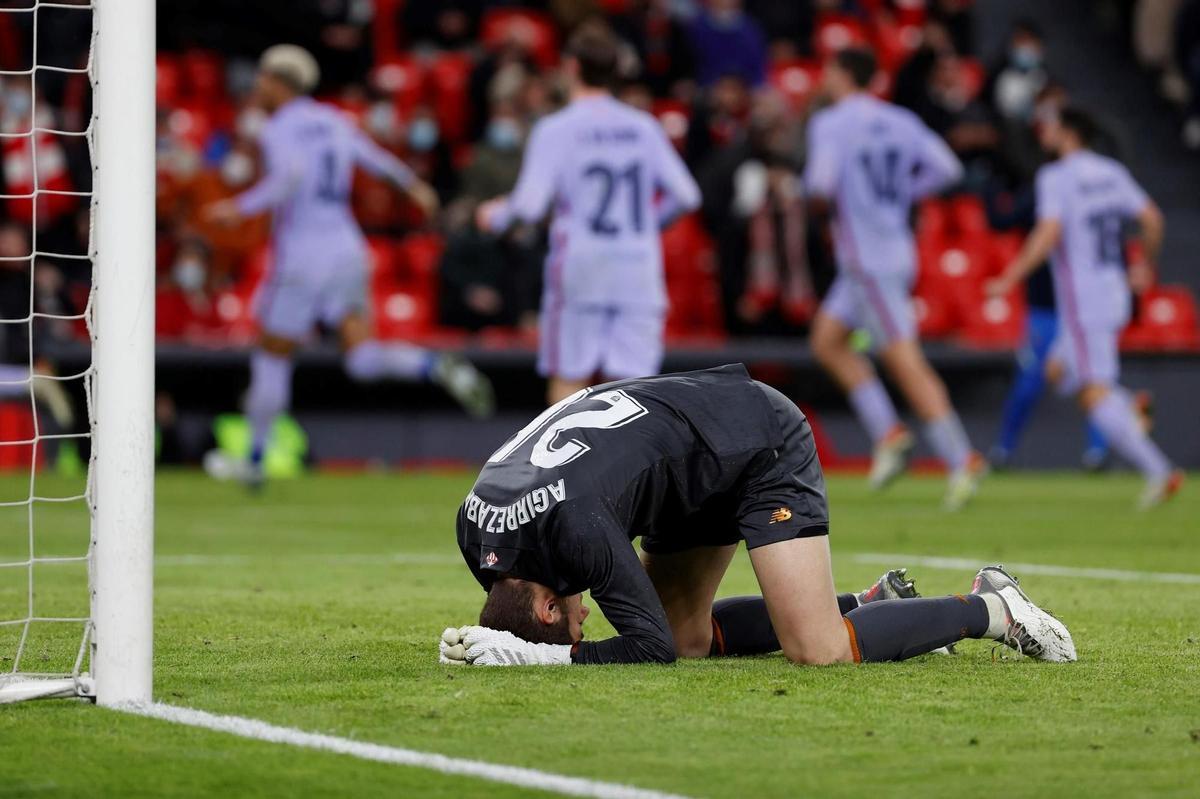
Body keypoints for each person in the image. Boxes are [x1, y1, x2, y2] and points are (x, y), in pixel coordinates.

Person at [440, 364, 1076, 667]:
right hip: (680, 457)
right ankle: (868, 601)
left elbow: (648, 650)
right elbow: (669, 644)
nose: (584, 619)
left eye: (572, 625)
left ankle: (992, 609)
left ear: (547, 608)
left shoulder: (573, 531)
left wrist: (547, 658)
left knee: (818, 651)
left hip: (750, 438)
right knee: (692, 642)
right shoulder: (477, 534)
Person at [205, 45, 494, 487]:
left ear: (280, 82)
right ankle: (431, 367)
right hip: (345, 248)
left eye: (263, 78)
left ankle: (255, 461)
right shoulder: (334, 120)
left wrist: (239, 207)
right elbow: (377, 161)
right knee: (360, 357)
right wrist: (415, 186)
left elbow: (290, 177)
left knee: (272, 357)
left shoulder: (279, 127)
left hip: (303, 254)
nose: (257, 86)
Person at [476, 28, 701, 404]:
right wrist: (647, 226)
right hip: (638, 270)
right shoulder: (642, 126)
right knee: (635, 395)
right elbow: (687, 196)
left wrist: (496, 214)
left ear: (571, 67)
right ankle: (632, 466)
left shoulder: (557, 128)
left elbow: (530, 206)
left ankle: (562, 464)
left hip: (583, 267)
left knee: (570, 382)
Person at [804, 49, 985, 510]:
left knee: (904, 359)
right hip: (889, 250)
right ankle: (889, 432)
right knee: (827, 341)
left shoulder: (832, 122)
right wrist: (901, 194)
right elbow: (948, 167)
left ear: (843, 74)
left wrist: (820, 201)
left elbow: (821, 186)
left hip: (867, 259)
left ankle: (961, 457)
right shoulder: (900, 119)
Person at [986, 108, 1184, 508]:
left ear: (1069, 133)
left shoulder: (1056, 177)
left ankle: (1159, 471)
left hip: (1082, 300)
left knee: (1093, 393)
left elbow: (1048, 233)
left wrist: (1010, 277)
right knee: (1058, 371)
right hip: (1114, 292)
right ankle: (1129, 404)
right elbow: (1152, 219)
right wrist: (1145, 264)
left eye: (1053, 125)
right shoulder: (1111, 171)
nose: (1046, 131)